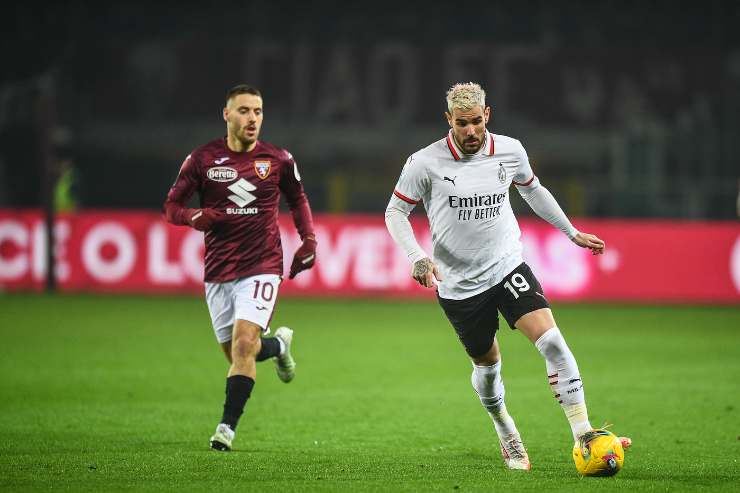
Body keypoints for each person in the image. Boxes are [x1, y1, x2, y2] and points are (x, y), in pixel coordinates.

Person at [384, 82, 630, 470]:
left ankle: (583, 434)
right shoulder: (424, 163)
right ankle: (505, 428)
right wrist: (416, 257)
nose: (470, 132)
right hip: (460, 285)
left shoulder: (511, 150)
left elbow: (533, 190)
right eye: (461, 123)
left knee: (553, 343)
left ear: (488, 116)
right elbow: (394, 213)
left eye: (476, 122)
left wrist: (571, 231)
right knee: (488, 367)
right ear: (448, 120)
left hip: (507, 266)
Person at [164, 84, 317, 451]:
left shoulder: (278, 159)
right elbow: (172, 206)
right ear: (227, 114)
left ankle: (226, 429)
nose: (253, 119)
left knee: (244, 344)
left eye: (258, 111)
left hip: (263, 263)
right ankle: (278, 346)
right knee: (238, 353)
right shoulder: (202, 159)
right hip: (218, 270)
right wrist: (194, 215)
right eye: (245, 111)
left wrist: (308, 240)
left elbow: (297, 198)